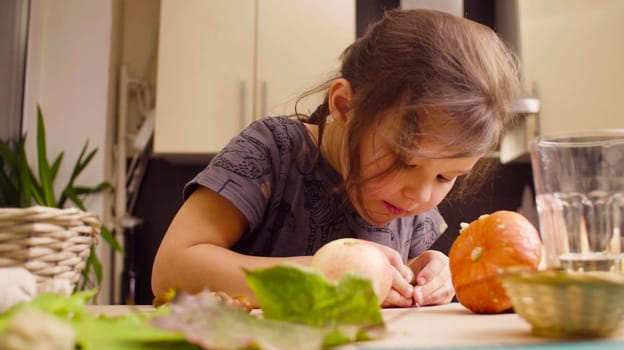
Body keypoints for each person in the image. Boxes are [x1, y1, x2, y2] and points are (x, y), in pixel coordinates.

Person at [152, 8, 521, 307]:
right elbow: (171, 269)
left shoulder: (406, 201)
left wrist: (426, 273)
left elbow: (381, 283)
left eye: (446, 177)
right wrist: (316, 276)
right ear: (345, 106)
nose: (422, 196)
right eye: (406, 161)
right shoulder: (271, 150)